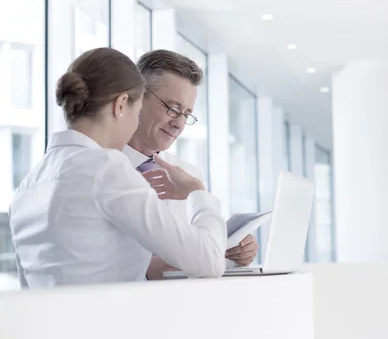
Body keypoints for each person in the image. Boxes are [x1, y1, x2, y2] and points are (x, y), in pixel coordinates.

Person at [9, 48, 227, 288]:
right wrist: (198, 192)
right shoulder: (107, 169)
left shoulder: (27, 186)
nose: (134, 123)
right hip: (110, 322)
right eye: (136, 113)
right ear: (121, 104)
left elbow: (27, 289)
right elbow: (209, 261)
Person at [124, 50, 258, 279]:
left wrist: (233, 253)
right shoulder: (100, 168)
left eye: (186, 114)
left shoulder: (187, 174)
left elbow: (203, 256)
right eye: (173, 109)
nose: (179, 124)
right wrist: (143, 269)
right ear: (137, 97)